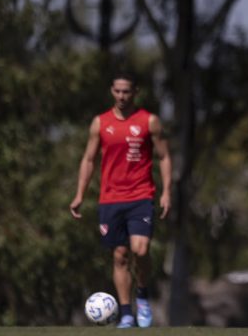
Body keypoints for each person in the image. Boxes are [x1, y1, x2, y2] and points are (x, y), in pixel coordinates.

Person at [70, 71, 172, 328]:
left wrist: (167, 191)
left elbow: (164, 157)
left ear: (135, 91)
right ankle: (126, 312)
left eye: (127, 91)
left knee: (141, 249)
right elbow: (89, 159)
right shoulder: (100, 123)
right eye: (117, 91)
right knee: (120, 255)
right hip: (110, 198)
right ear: (111, 91)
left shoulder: (149, 121)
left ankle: (143, 294)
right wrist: (80, 194)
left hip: (141, 195)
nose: (122, 96)